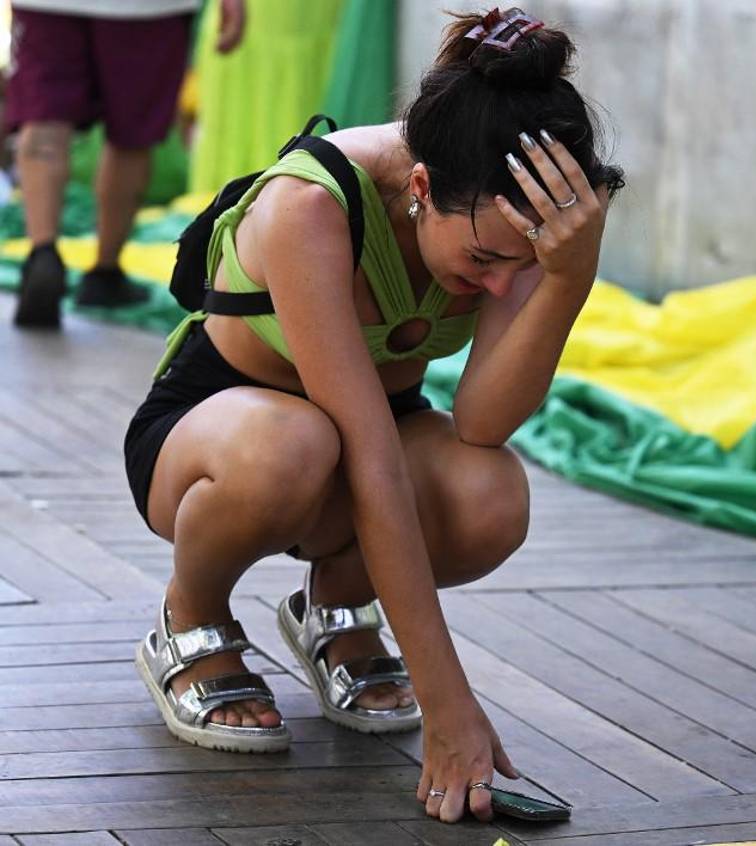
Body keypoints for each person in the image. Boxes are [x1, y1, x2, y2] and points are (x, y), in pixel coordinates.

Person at [123, 7, 623, 825]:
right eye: (487, 261)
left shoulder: (510, 219)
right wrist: (450, 704)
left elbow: (484, 423)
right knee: (297, 442)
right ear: (421, 189)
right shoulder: (310, 206)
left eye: (523, 264)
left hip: (361, 445)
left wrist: (567, 278)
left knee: (490, 492)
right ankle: (192, 617)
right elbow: (373, 461)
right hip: (216, 440)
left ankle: (338, 610)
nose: (500, 286)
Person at [6, 0, 245, 328]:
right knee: (132, 136)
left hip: (48, 5)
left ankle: (42, 253)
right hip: (147, 9)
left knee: (45, 120)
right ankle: (105, 272)